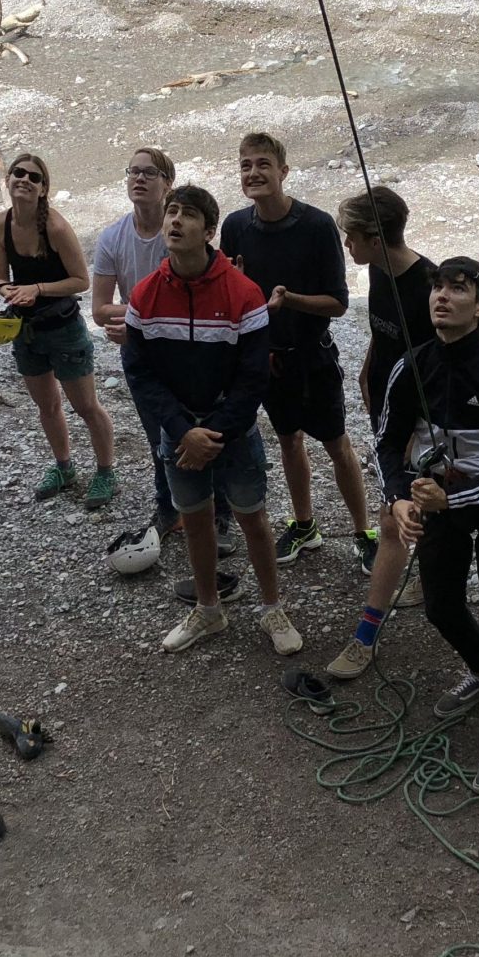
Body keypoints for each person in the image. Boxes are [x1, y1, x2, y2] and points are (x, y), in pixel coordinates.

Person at [378, 258, 479, 794]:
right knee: (440, 607)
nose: (442, 297)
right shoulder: (411, 365)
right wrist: (399, 499)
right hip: (435, 501)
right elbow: (387, 442)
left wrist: (455, 499)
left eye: (459, 288)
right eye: (437, 288)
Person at [123, 185, 302, 657]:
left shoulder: (244, 294)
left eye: (187, 215)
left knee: (252, 518)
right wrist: (183, 431)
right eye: (171, 213)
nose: (175, 221)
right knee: (195, 520)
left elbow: (253, 377)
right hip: (180, 433)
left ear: (209, 230)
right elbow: (139, 374)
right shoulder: (144, 296)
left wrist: (214, 432)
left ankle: (271, 607)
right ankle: (208, 609)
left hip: (233, 433)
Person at [219, 131, 373, 568]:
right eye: (246, 165)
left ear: (283, 172)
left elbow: (339, 303)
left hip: (313, 353)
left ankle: (364, 530)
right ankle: (305, 525)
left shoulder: (317, 225)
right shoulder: (234, 227)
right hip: (268, 357)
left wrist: (290, 300)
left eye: (263, 164)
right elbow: (234, 295)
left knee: (336, 443)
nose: (254, 173)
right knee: (288, 440)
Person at [91, 148, 235, 551]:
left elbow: (205, 286)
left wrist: (141, 321)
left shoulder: (185, 230)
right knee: (160, 434)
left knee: (206, 429)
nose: (138, 178)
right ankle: (169, 509)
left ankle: (219, 513)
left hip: (194, 347)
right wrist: (142, 321)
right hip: (142, 354)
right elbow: (100, 309)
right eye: (132, 172)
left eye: (149, 172)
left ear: (168, 184)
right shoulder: (112, 237)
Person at [325, 186, 435, 679]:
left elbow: (438, 368)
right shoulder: (377, 271)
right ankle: (426, 577)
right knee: (408, 512)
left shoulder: (427, 285)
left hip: (419, 425)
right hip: (387, 414)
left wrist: (417, 432)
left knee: (391, 521)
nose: (346, 246)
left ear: (373, 237)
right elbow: (380, 333)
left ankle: (366, 636)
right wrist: (369, 378)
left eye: (351, 236)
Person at [0, 152, 118, 508]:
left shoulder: (56, 228)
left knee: (85, 405)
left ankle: (106, 471)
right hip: (25, 329)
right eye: (19, 173)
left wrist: (37, 289)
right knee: (46, 405)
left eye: (34, 177)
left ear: (44, 189)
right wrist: (8, 291)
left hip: (63, 328)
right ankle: (64, 467)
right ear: (8, 180)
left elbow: (81, 280)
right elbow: (1, 277)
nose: (25, 180)